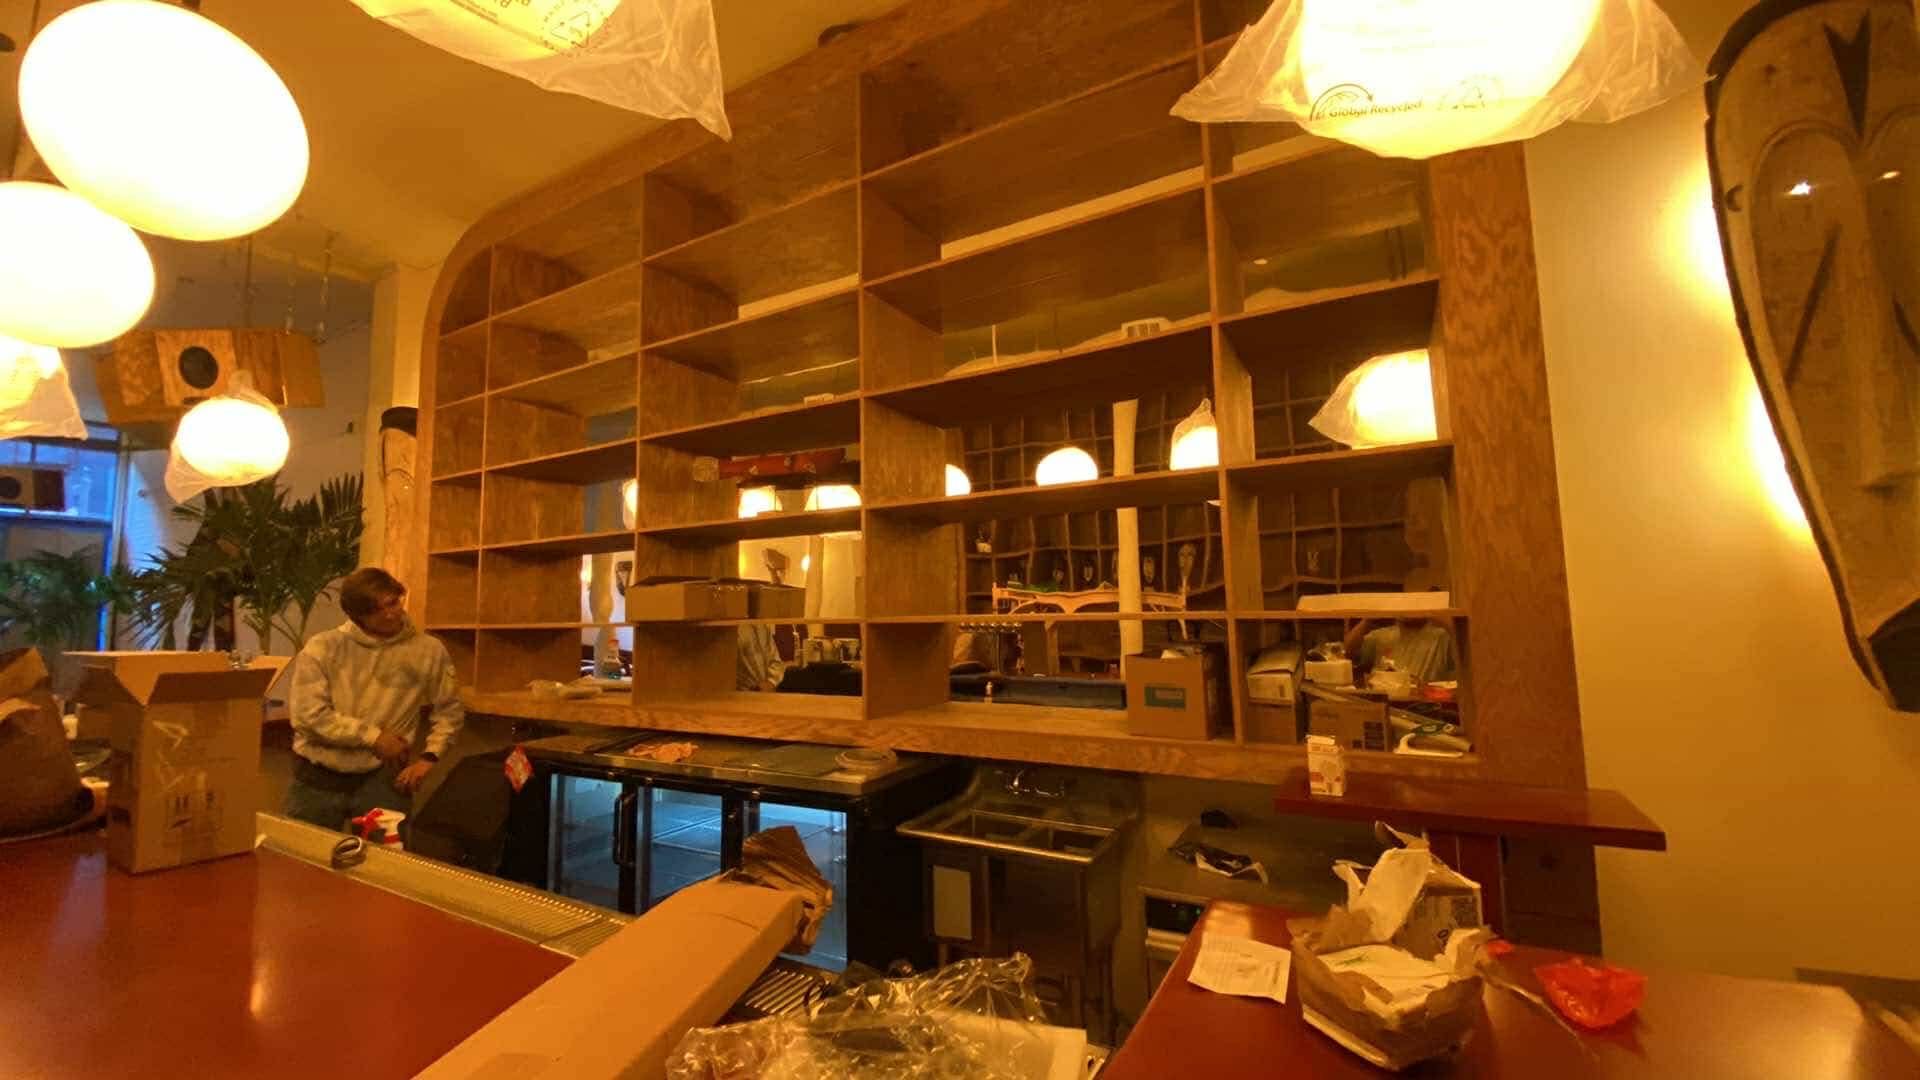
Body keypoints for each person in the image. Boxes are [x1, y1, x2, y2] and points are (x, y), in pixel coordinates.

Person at [284, 567, 465, 831]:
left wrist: (430, 757)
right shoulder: (322, 647)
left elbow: (449, 710)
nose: (390, 613)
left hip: (383, 777)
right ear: (356, 616)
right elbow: (308, 716)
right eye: (375, 610)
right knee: (302, 860)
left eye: (393, 602)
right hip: (317, 775)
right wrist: (374, 737)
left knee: (384, 866)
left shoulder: (428, 650)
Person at [1343, 616, 1456, 685]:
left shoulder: (1442, 636)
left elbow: (1468, 646)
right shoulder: (1381, 635)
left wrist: (1434, 611)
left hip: (1424, 704)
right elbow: (1348, 651)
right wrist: (1367, 620)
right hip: (1384, 699)